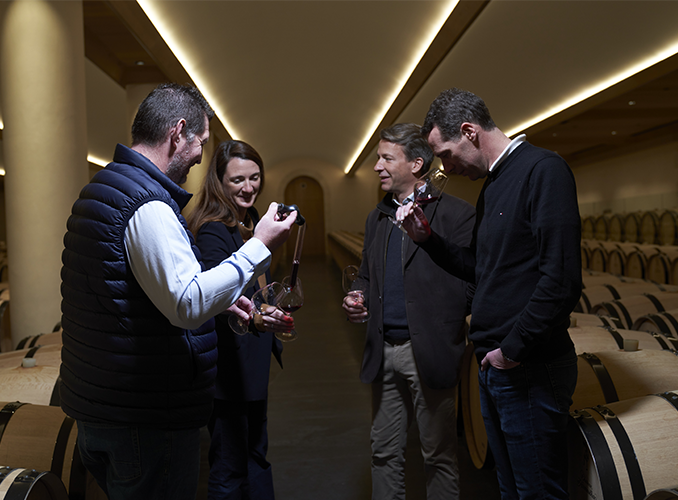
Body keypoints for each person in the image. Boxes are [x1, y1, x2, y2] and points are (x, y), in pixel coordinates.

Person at [59, 83, 297, 500]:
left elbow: (135, 294)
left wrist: (222, 304)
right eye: (201, 143)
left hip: (102, 405)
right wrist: (259, 244)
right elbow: (186, 304)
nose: (201, 156)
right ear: (178, 132)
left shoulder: (102, 188)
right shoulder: (146, 203)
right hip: (145, 415)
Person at [397, 88, 582, 499]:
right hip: (496, 363)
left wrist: (511, 351)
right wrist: (428, 240)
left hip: (527, 367)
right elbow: (482, 269)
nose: (445, 166)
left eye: (445, 153)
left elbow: (562, 280)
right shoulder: (494, 184)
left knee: (537, 492)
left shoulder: (542, 170)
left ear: (469, 131)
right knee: (511, 489)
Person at [342, 123, 475, 500]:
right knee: (383, 452)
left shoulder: (456, 215)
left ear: (416, 163)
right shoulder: (377, 217)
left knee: (438, 455)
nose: (377, 166)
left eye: (386, 158)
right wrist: (358, 295)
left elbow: (472, 281)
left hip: (430, 350)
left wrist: (442, 321)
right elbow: (367, 275)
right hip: (383, 349)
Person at [187, 140, 291, 499]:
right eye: (237, 181)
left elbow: (253, 282)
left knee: (253, 453)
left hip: (249, 361)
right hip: (231, 363)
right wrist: (261, 315)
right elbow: (220, 295)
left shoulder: (248, 221)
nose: (248, 187)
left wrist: (271, 302)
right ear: (219, 182)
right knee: (231, 464)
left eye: (255, 177)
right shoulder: (215, 228)